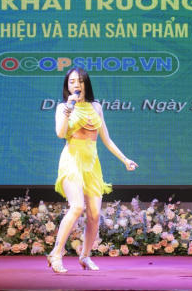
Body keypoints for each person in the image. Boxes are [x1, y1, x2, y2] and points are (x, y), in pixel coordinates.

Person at [47, 67, 138, 273]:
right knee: (77, 206)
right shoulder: (63, 107)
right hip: (72, 160)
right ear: (67, 85)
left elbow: (106, 138)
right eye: (71, 81)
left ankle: (85, 256)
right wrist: (69, 108)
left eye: (79, 81)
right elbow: (60, 133)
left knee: (95, 214)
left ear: (86, 83)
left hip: (92, 164)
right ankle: (56, 253)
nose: (76, 85)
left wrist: (125, 159)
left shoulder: (96, 106)